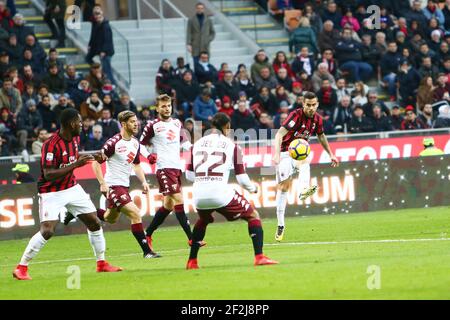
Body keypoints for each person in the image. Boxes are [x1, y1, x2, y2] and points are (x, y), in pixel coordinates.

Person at [13, 108, 122, 281]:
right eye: (79, 122)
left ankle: (101, 263)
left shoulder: (75, 138)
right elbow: (48, 174)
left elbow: (71, 157)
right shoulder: (51, 144)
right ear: (71, 124)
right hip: (51, 192)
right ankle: (21, 267)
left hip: (72, 187)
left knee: (94, 222)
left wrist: (89, 157)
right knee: (48, 231)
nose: (81, 125)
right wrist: (76, 165)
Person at [185, 112, 278, 269]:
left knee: (203, 220)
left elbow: (188, 175)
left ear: (213, 125)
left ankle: (192, 261)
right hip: (219, 194)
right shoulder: (233, 147)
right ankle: (260, 257)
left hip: (199, 195)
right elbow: (242, 179)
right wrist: (253, 188)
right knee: (253, 215)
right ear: (227, 127)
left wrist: (204, 180)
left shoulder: (196, 145)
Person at [65, 111, 158, 258]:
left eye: (136, 121)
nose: (136, 124)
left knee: (110, 218)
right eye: (133, 121)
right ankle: (147, 252)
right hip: (113, 186)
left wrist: (144, 182)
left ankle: (78, 211)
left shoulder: (135, 143)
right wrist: (103, 184)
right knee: (135, 213)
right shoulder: (114, 142)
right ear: (124, 124)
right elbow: (96, 163)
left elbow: (137, 165)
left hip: (124, 186)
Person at [272, 91, 339, 241]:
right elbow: (279, 134)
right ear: (303, 104)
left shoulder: (318, 120)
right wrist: (276, 154)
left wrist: (331, 154)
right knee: (283, 190)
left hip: (300, 154)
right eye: (308, 105)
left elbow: (321, 136)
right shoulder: (295, 116)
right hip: (284, 154)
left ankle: (303, 191)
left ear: (317, 104)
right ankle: (281, 224)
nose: (311, 108)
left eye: (313, 105)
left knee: (306, 159)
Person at [140, 94, 200, 252]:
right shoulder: (152, 125)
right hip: (163, 168)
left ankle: (148, 234)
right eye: (163, 106)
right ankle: (192, 238)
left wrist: (196, 150)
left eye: (168, 106)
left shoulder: (176, 122)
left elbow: (185, 142)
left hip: (176, 167)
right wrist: (148, 156)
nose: (166, 109)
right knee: (179, 200)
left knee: (168, 205)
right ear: (157, 108)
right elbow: (139, 145)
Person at [86, 8, 115, 85]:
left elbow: (107, 39)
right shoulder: (95, 24)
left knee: (107, 70)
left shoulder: (106, 25)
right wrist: (90, 44)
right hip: (97, 48)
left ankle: (113, 85)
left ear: (102, 14)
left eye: (98, 13)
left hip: (106, 51)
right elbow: (92, 36)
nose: (96, 16)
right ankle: (97, 69)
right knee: (88, 58)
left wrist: (104, 51)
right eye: (95, 14)